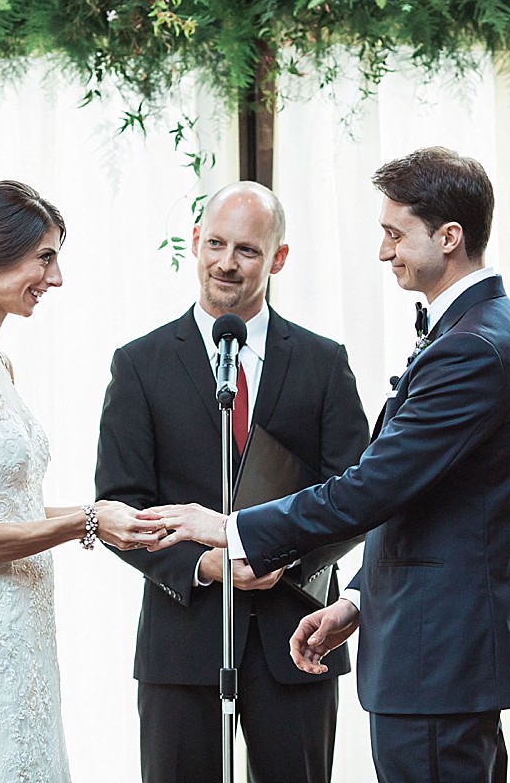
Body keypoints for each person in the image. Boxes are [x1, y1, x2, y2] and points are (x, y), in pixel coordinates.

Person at [150, 148, 510, 783]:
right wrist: (360, 601)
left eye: (395, 234)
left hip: (437, 661)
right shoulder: (476, 335)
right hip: (433, 655)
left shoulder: (475, 350)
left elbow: (371, 488)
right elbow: (431, 505)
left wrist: (231, 528)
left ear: (449, 237)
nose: (383, 251)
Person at [95, 181, 370, 783]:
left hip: (297, 638)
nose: (226, 262)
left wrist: (279, 556)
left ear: (278, 259)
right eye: (215, 243)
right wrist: (208, 564)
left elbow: (356, 494)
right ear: (194, 243)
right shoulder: (138, 365)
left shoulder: (324, 364)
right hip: (180, 642)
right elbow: (121, 502)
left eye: (247, 250)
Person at [0, 181, 163, 781]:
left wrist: (112, 518)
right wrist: (86, 520)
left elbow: (10, 505)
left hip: (23, 628)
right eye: (45, 257)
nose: (57, 277)